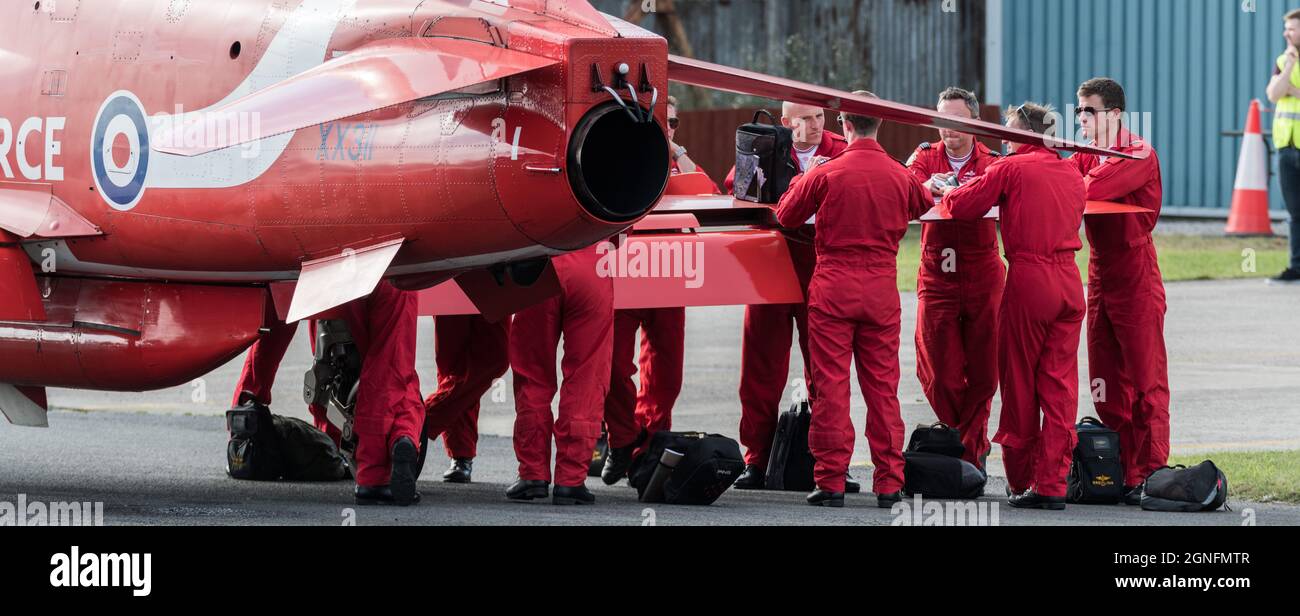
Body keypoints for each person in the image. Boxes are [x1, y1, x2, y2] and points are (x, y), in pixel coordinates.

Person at [774, 91, 931, 508]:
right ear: (880, 124)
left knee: (831, 386)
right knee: (883, 389)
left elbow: (785, 215)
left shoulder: (828, 171)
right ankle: (890, 482)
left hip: (833, 285)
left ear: (842, 124)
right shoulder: (900, 173)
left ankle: (830, 481)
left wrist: (805, 179)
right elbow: (924, 203)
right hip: (881, 287)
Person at [942, 102, 1087, 510]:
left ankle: (1024, 478)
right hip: (1069, 280)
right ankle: (1054, 482)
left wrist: (947, 189)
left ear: (1023, 134)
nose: (1003, 139)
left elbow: (962, 206)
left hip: (1030, 279)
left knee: (1020, 381)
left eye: (1008, 132)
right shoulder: (1071, 171)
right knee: (1060, 388)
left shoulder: (1010, 168)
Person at [726, 101, 852, 491]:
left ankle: (832, 463)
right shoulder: (765, 143)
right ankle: (757, 458)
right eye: (805, 119)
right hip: (771, 260)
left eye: (819, 117)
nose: (815, 126)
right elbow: (735, 187)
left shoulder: (841, 151)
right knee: (761, 366)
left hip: (822, 260)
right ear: (785, 123)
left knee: (826, 368)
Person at [1071, 77, 1169, 505]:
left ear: (1113, 114)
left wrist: (1047, 179)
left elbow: (1084, 189)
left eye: (1088, 110)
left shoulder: (1138, 152)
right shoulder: (1085, 154)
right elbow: (1063, 176)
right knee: (1104, 380)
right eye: (1077, 111)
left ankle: (1151, 472)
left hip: (1134, 271)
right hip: (1099, 272)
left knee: (1146, 380)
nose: (1080, 119)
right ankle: (1120, 470)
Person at [905, 87, 1005, 470]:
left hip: (983, 277)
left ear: (975, 122)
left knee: (984, 370)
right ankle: (962, 439)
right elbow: (904, 182)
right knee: (938, 370)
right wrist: (925, 186)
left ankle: (969, 453)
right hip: (938, 278)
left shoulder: (994, 162)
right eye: (943, 121)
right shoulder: (925, 156)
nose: (949, 130)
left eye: (958, 122)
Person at [507, 246, 614, 505]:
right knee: (586, 378)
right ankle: (571, 479)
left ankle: (532, 474)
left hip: (537, 269)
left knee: (532, 376)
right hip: (592, 267)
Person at [423, 315, 511, 484]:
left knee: (497, 357)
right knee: (454, 367)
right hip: (448, 290)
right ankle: (461, 454)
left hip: (493, 289)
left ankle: (414, 422)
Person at [1267, 9, 1300, 284]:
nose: (1286, 33)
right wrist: (1289, 67)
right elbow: (1274, 94)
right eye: (1286, 28)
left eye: (1291, 28)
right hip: (1286, 146)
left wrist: (1293, 90)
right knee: (1294, 212)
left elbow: (1285, 91)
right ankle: (1296, 268)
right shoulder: (1282, 59)